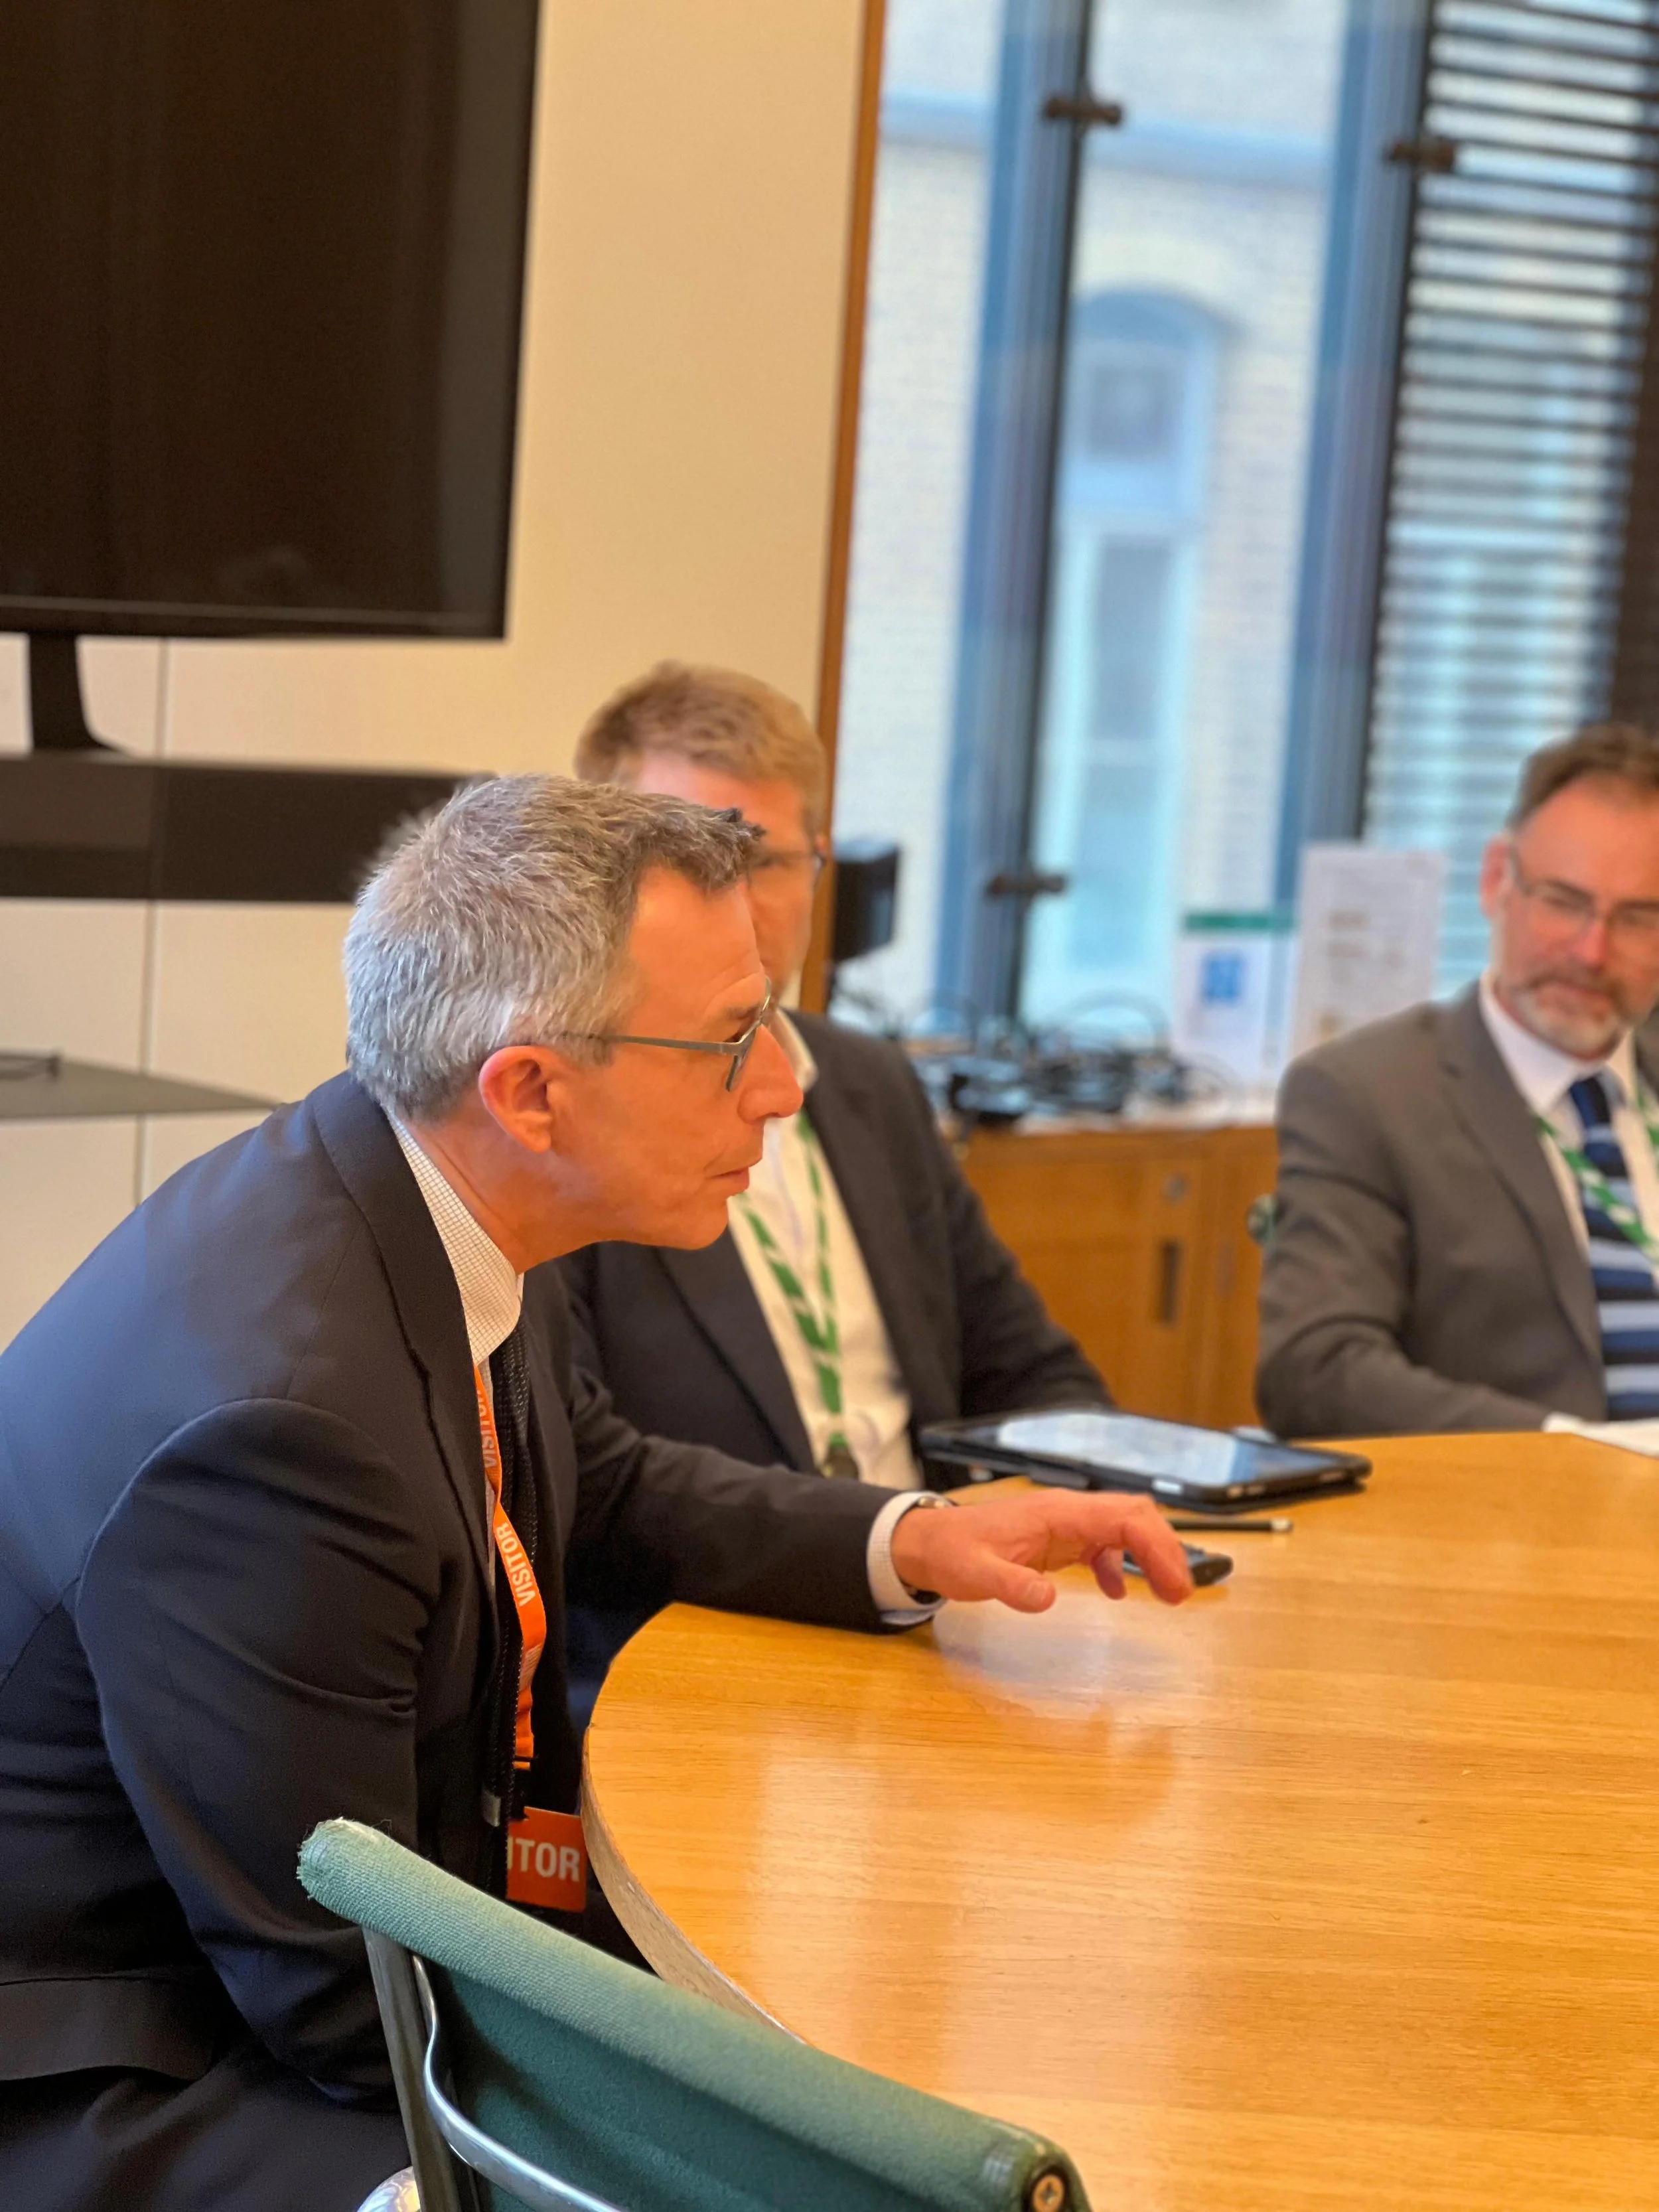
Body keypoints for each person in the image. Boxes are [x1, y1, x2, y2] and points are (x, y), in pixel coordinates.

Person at [0, 774, 1190, 2212]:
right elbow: (336, 1983)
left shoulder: (423, 1185)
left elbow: (595, 1475)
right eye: (731, 1042)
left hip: (323, 1957)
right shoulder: (281, 1428)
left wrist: (913, 1535)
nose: (785, 1084)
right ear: (532, 1090)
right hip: (132, 2061)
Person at [558, 664, 1110, 1705]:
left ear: (823, 869)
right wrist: (899, 1543)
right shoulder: (573, 1117)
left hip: (950, 1636)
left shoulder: (871, 1086)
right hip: (707, 1656)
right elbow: (592, 1482)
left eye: (766, 859)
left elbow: (1032, 1372)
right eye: (691, 857)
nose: (742, 904)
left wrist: (1100, 1492)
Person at [1258, 721, 1659, 1439]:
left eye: (1637, 917)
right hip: (1518, 1524)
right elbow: (1315, 1370)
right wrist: (1584, 1454)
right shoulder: (1369, 1094)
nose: (1589, 951)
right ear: (1495, 881)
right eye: (1563, 902)